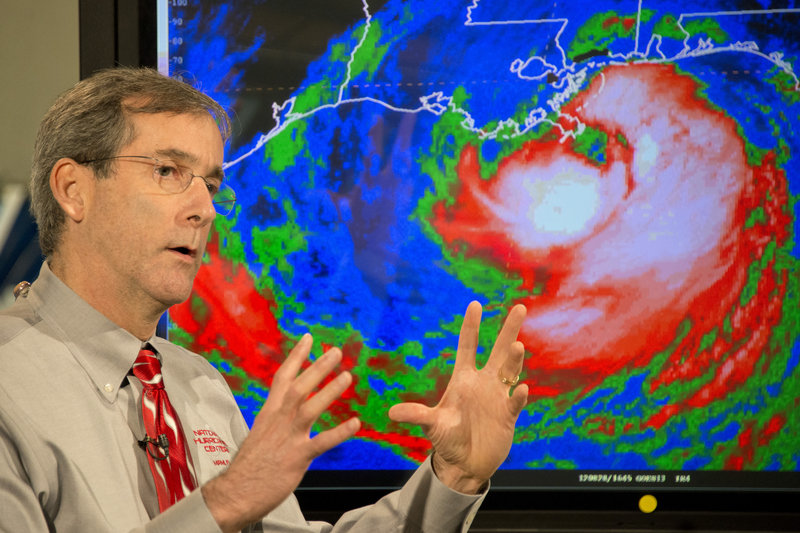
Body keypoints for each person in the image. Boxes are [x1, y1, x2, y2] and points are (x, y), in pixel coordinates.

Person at [0, 67, 529, 532]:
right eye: (168, 171)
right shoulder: (10, 385)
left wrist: (453, 476)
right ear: (73, 189)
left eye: (210, 185)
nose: (203, 209)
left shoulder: (199, 385)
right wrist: (225, 501)